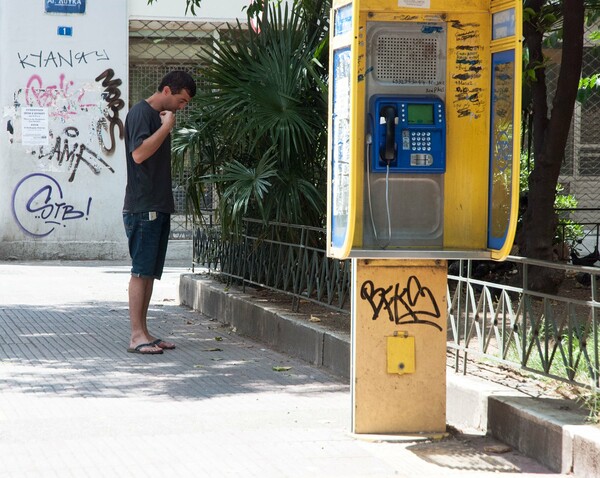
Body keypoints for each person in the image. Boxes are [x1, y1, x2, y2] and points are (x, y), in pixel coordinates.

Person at [123, 70, 196, 354]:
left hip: (158, 205)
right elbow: (138, 154)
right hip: (143, 207)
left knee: (150, 272)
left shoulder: (159, 117)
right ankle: (135, 336)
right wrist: (166, 128)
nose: (181, 107)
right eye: (181, 100)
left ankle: (145, 332)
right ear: (167, 90)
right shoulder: (141, 114)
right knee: (140, 272)